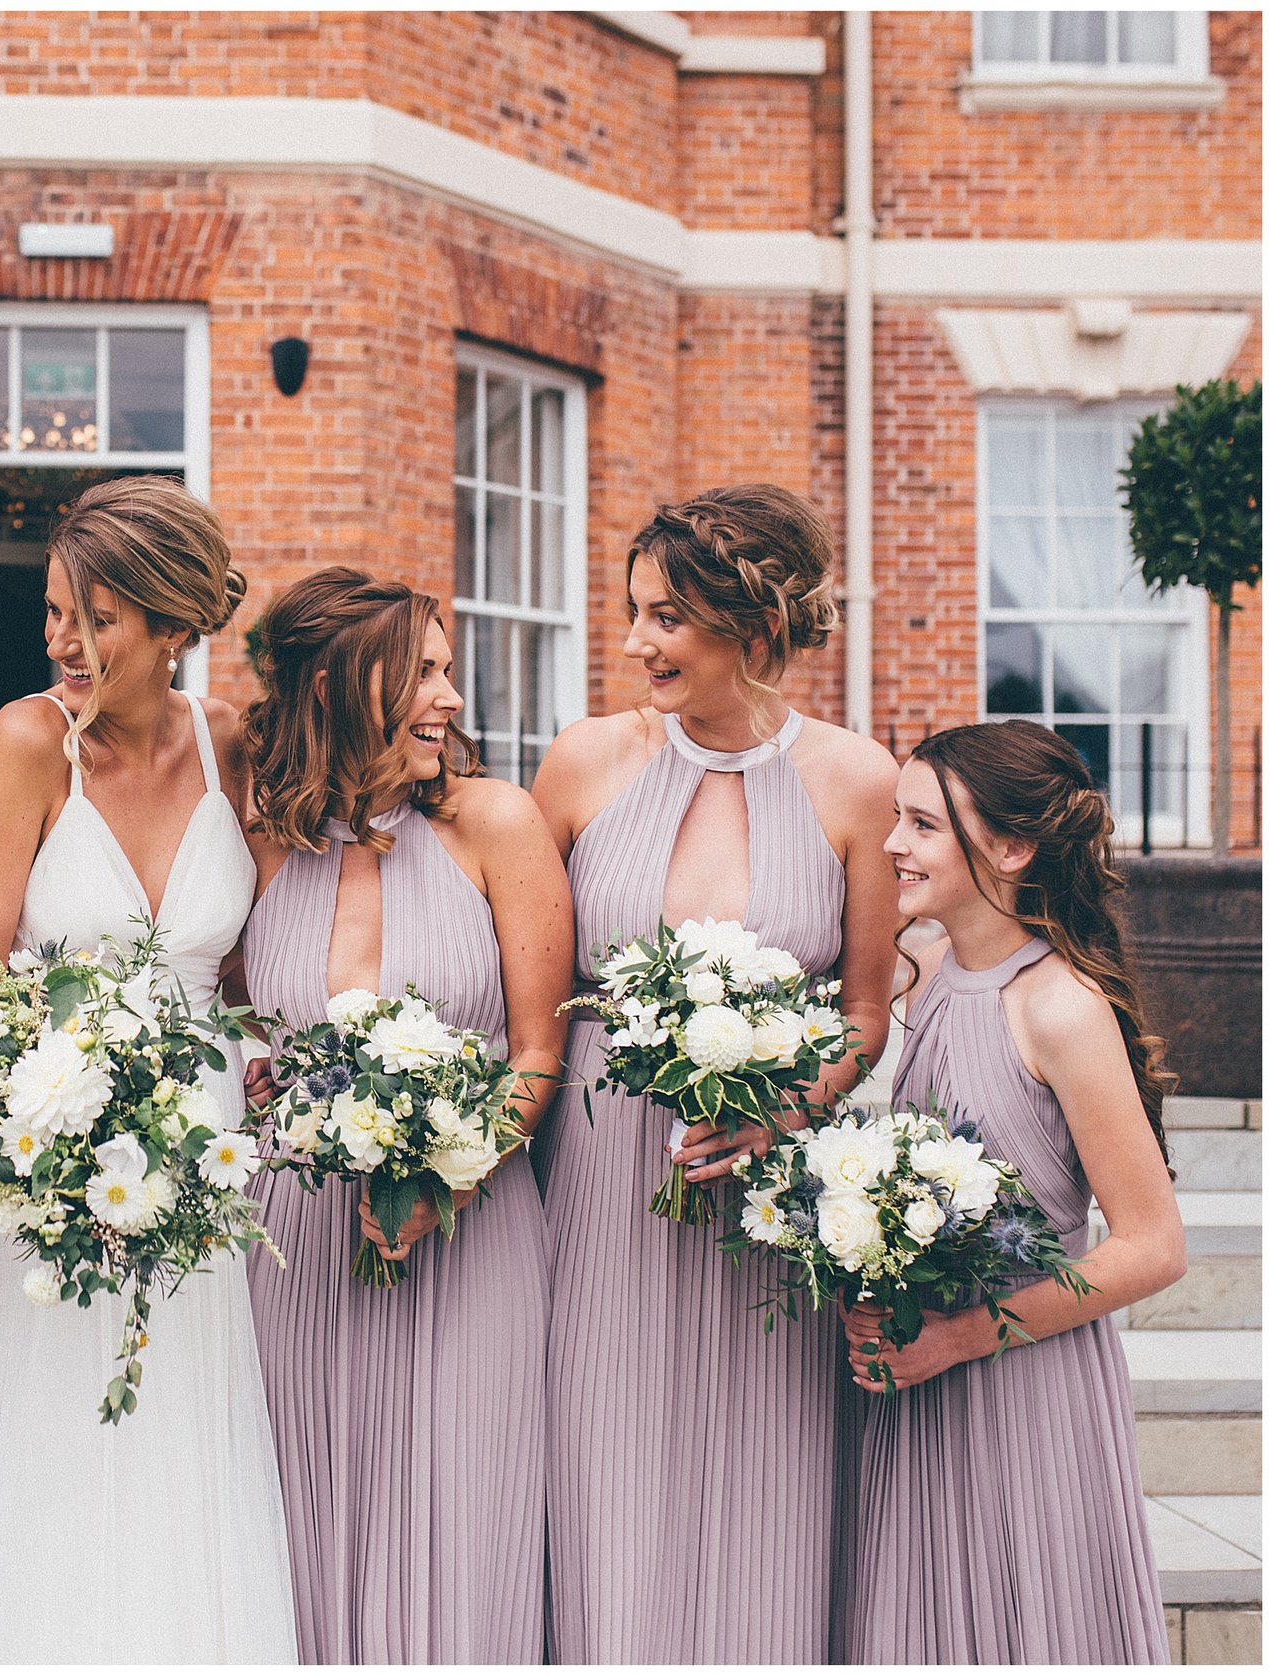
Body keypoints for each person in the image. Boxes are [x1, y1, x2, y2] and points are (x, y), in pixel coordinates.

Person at [526, 483, 898, 1661]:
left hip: (763, 1200)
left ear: (756, 626)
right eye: (634, 611)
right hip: (595, 1185)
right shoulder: (582, 761)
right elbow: (521, 988)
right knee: (598, 1458)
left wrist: (784, 1104)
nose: (636, 641)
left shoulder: (856, 779)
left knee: (759, 1474)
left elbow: (866, 1011)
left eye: (667, 618)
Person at [0, 475, 297, 1662]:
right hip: (58, 1137)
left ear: (176, 622)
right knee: (58, 1433)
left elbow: (251, 970)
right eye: (54, 611)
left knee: (191, 1433)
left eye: (96, 615)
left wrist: (260, 1071)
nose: (64, 640)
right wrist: (29, 1141)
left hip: (208, 1153)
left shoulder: (234, 748)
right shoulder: (26, 740)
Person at [238, 567, 568, 1662]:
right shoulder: (264, 840)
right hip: (294, 1239)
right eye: (422, 671)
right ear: (335, 684)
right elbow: (243, 1025)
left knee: (464, 1527)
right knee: (297, 1518)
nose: (449, 699)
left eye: (446, 670)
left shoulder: (495, 823)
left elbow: (537, 1051)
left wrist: (449, 1171)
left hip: (471, 1233)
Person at [835, 720, 1182, 1662]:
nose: (892, 846)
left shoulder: (1061, 1007)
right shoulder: (931, 973)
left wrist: (961, 1338)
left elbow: (1152, 1247)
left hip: (1023, 1378)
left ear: (1013, 846)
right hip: (918, 1379)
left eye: (921, 826)